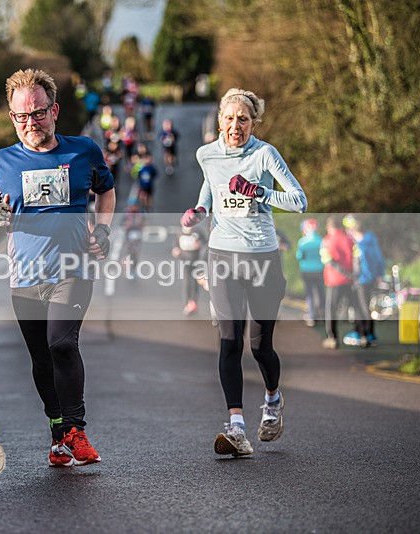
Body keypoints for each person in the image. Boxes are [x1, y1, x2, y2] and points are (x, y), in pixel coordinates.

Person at [0, 68, 115, 467]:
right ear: (12, 117)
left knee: (62, 344)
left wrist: (103, 230)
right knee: (41, 359)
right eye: (21, 116)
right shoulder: (1, 162)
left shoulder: (83, 151)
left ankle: (76, 430)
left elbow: (106, 190)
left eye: (38, 113)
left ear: (55, 111)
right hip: (25, 277)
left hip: (73, 268)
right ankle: (58, 433)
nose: (31, 123)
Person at [180, 87, 307, 457]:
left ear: (254, 123)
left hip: (262, 258)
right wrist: (200, 211)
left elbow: (298, 202)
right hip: (222, 256)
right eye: (230, 118)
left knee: (260, 346)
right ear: (220, 120)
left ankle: (272, 401)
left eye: (244, 120)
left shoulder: (265, 154)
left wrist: (258, 192)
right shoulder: (207, 154)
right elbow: (211, 190)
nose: (236, 126)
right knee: (229, 340)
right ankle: (236, 427)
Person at [320, 216, 368, 349]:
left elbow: (327, 260)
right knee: (357, 307)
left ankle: (332, 338)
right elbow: (357, 258)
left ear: (329, 227)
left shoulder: (326, 241)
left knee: (331, 309)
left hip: (334, 280)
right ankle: (363, 335)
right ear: (340, 226)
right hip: (350, 279)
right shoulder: (350, 240)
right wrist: (353, 274)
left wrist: (342, 272)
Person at [343, 214, 385, 346]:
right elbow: (378, 258)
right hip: (363, 278)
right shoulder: (367, 238)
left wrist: (379, 274)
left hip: (362, 279)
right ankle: (366, 334)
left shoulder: (362, 241)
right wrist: (379, 274)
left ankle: (364, 335)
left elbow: (377, 258)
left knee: (361, 307)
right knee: (362, 307)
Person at [295, 218, 325, 326]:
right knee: (321, 292)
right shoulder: (321, 240)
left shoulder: (302, 242)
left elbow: (299, 257)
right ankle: (323, 314)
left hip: (307, 271)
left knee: (310, 294)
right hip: (320, 270)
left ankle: (312, 317)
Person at [171, 225, 204, 315]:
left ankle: (193, 301)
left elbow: (205, 241)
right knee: (187, 282)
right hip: (185, 261)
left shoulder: (197, 232)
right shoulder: (179, 233)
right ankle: (188, 303)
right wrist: (176, 251)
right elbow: (175, 246)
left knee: (196, 281)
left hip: (196, 261)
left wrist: (199, 244)